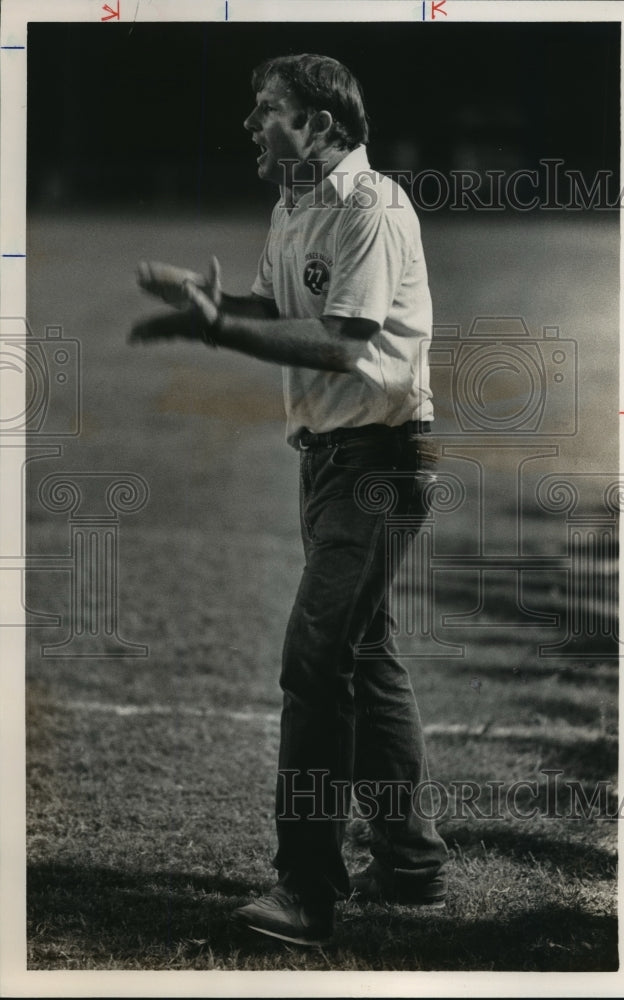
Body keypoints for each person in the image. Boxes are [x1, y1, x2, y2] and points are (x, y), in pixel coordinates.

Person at [130, 53, 448, 947]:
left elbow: (344, 340)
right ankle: (411, 860)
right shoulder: (292, 206)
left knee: (315, 662)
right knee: (367, 655)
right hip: (329, 464)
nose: (250, 124)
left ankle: (305, 895)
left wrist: (223, 332)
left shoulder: (370, 207)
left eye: (266, 108)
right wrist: (214, 305)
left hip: (381, 464)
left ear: (318, 125)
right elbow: (277, 309)